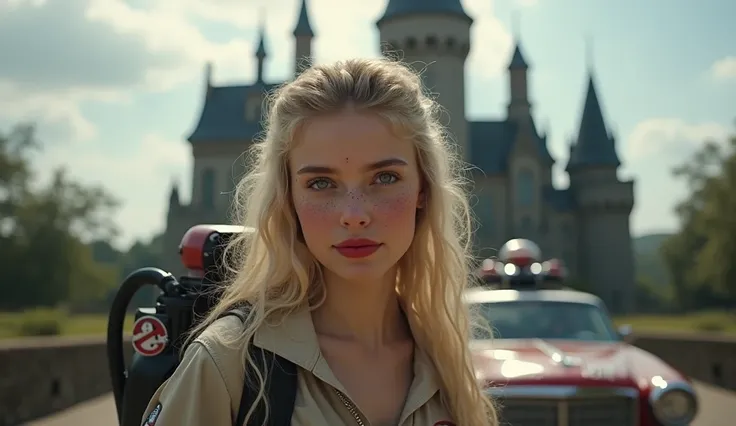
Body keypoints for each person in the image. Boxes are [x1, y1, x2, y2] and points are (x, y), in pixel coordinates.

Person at [140, 57, 498, 426]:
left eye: (385, 177)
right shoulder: (227, 364)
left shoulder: (446, 361)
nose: (354, 214)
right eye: (321, 183)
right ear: (288, 199)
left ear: (423, 188)